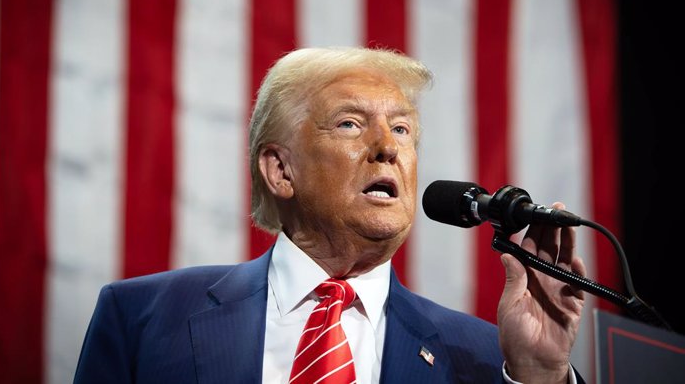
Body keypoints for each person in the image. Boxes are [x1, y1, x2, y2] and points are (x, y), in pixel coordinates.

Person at [74, 46, 586, 383]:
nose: (388, 148)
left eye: (403, 130)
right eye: (349, 124)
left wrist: (540, 375)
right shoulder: (142, 319)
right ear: (280, 170)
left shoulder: (484, 357)